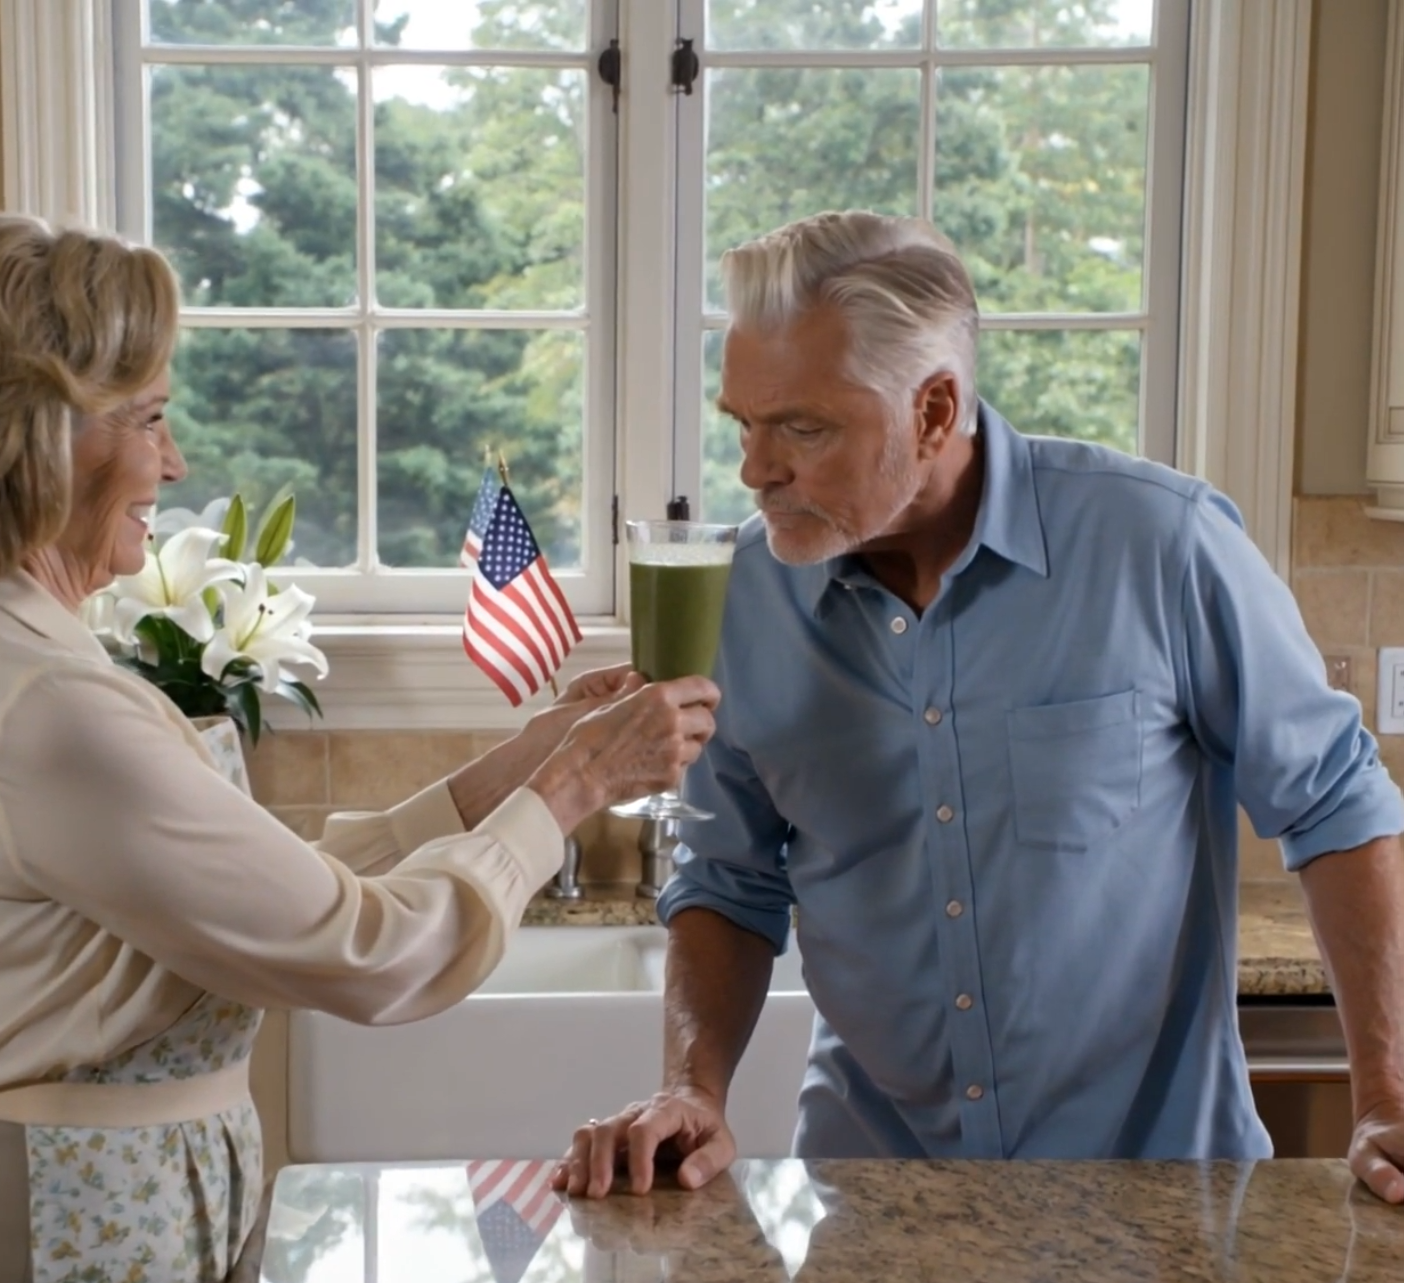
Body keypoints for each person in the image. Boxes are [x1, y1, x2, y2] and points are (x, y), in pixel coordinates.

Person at [0, 212, 717, 1283]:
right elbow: (370, 948)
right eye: (151, 416)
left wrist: (532, 760)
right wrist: (579, 786)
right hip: (38, 1257)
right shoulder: (51, 704)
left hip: (65, 1234)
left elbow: (289, 878)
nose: (174, 460)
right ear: (34, 436)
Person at [555, 209, 1404, 1206]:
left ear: (932, 410)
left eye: (802, 428)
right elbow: (728, 881)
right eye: (743, 424)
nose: (754, 470)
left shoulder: (1159, 546)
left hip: (1161, 1211)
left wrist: (1386, 1096)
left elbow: (1335, 810)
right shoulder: (742, 600)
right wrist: (691, 1086)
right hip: (873, 1210)